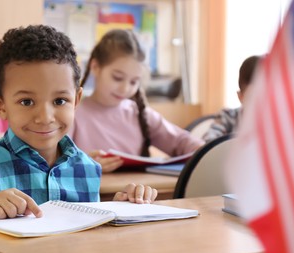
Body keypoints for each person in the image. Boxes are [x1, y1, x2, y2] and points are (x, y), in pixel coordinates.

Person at [0, 25, 158, 253]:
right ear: (0, 104)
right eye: (26, 102)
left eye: (60, 100)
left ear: (76, 100)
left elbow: (89, 252)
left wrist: (118, 213)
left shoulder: (86, 168)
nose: (45, 117)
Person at [68, 29, 204, 173]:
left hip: (137, 193)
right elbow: (54, 162)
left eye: (134, 82)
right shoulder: (73, 114)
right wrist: (81, 164)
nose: (125, 88)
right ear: (95, 67)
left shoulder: (139, 113)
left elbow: (181, 141)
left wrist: (205, 151)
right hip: (93, 193)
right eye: (117, 78)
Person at [202, 55, 262, 143]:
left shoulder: (277, 121)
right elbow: (209, 143)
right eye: (253, 97)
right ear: (241, 96)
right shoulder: (228, 117)